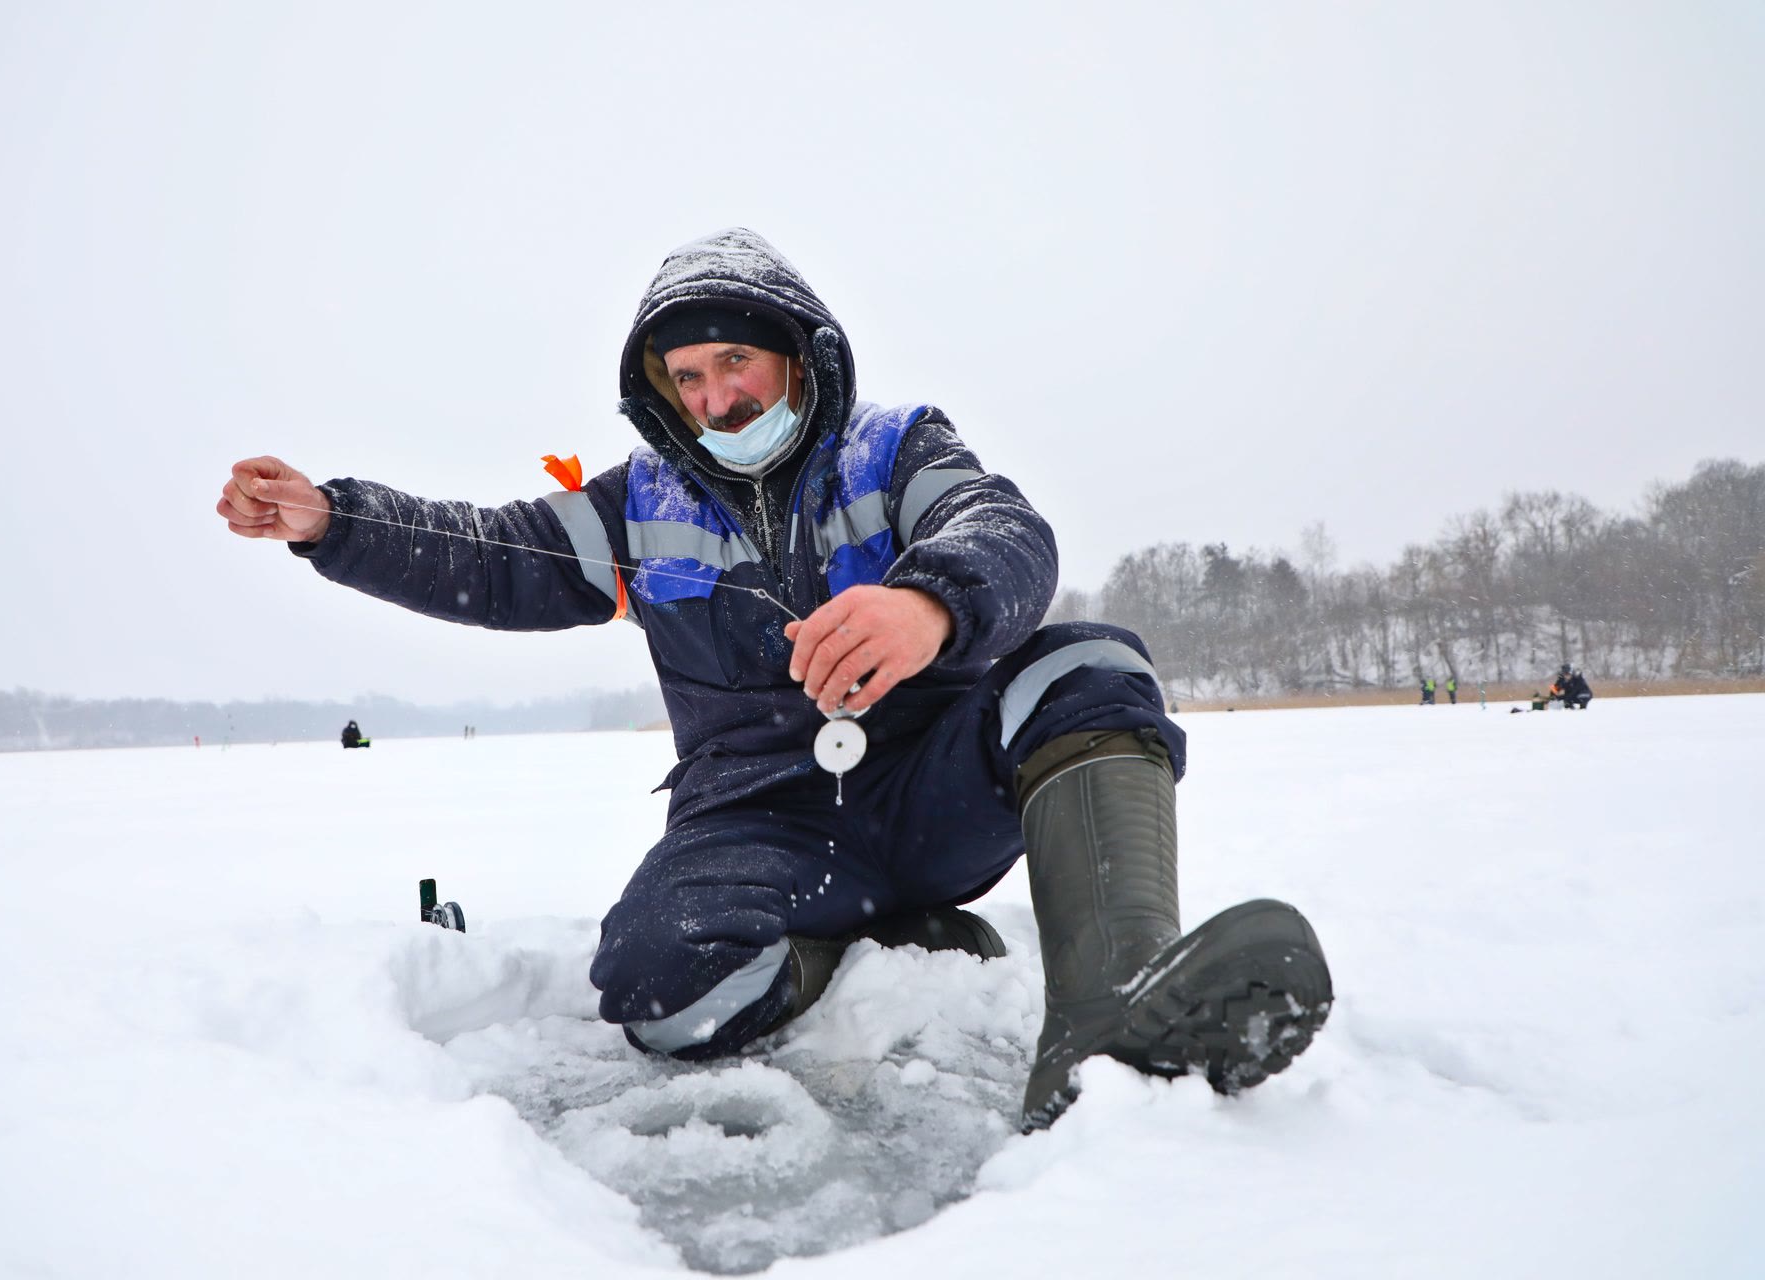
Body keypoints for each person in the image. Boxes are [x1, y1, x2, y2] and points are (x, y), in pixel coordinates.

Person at [216, 228, 1332, 1129]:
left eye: (735, 363)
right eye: (689, 376)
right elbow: (490, 554)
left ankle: (1110, 1004)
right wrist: (335, 519)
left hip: (935, 782)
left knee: (1090, 661)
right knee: (658, 989)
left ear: (796, 356)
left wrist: (927, 601)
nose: (715, 396)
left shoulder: (894, 449)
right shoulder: (633, 504)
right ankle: (883, 944)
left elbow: (1003, 527)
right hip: (760, 818)